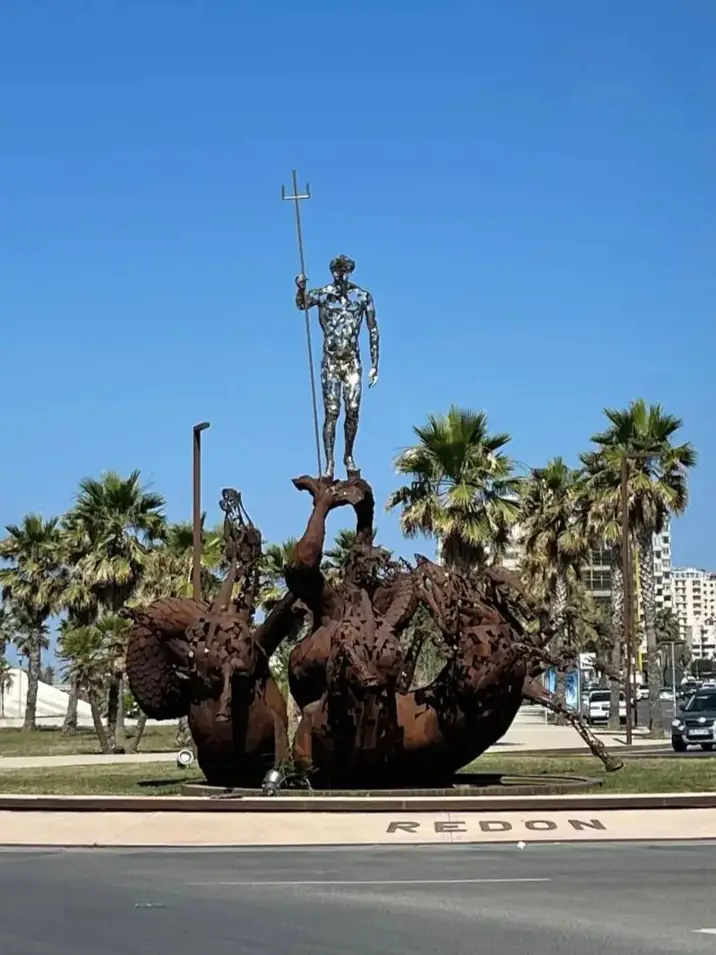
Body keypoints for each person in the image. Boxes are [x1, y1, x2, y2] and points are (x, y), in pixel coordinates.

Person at [295, 255, 379, 477]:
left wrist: (375, 364)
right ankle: (330, 463)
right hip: (331, 361)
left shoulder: (362, 296)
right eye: (337, 270)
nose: (340, 274)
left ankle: (348, 456)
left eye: (345, 270)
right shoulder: (323, 295)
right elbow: (301, 304)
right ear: (332, 272)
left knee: (352, 411)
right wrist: (300, 288)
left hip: (352, 362)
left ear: (350, 272)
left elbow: (373, 328)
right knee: (332, 413)